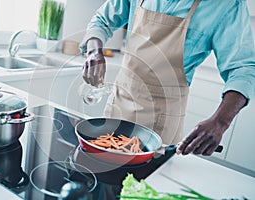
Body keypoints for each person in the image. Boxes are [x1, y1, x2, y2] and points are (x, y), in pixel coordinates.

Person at [80, 0, 255, 156]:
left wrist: (220, 121)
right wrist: (94, 51)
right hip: (119, 105)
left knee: (144, 186)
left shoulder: (227, 5)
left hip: (162, 122)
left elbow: (243, 68)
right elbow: (102, 21)